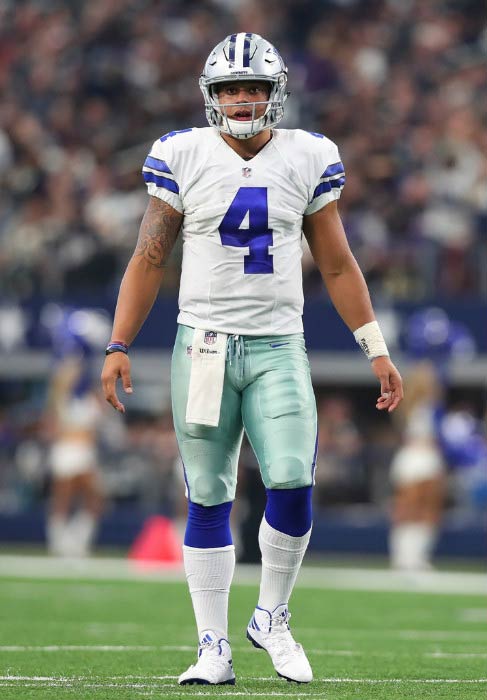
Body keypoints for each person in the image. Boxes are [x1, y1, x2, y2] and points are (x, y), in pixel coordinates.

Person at [101, 32, 403, 686]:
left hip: (277, 343)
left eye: (254, 88)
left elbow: (336, 260)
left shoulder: (307, 155)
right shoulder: (180, 154)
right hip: (204, 344)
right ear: (212, 97)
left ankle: (270, 615)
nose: (242, 99)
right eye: (231, 89)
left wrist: (373, 346)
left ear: (275, 93)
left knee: (292, 478)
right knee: (207, 493)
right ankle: (211, 645)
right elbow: (150, 255)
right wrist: (118, 344)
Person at [44, 306, 105, 557]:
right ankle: (60, 542)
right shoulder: (64, 378)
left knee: (94, 499)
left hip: (85, 447)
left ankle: (76, 542)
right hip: (69, 447)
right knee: (64, 496)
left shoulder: (88, 389)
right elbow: (55, 409)